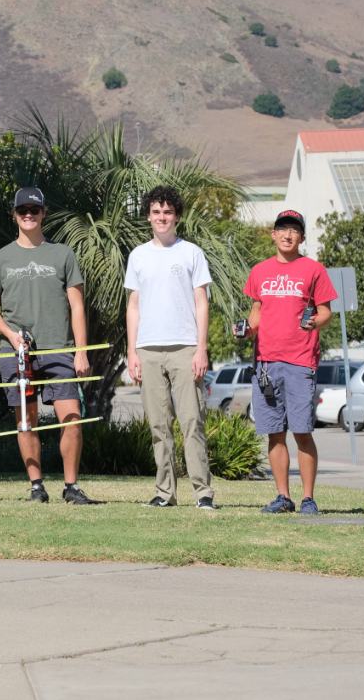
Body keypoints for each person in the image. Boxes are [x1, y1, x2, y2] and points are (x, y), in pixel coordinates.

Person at [0, 187, 93, 504]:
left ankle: (71, 487)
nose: (28, 215)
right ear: (14, 214)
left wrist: (81, 351)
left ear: (44, 213)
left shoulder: (63, 254)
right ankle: (36, 487)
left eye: (34, 209)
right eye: (22, 210)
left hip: (59, 349)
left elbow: (78, 306)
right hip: (18, 353)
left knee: (72, 420)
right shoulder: (1, 258)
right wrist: (10, 333)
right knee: (26, 421)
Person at [237, 210, 336, 515]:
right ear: (274, 235)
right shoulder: (260, 272)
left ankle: (308, 498)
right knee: (274, 431)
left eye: (294, 230)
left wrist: (314, 323)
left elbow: (326, 313)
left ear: (302, 237)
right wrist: (247, 329)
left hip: (300, 362)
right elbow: (256, 311)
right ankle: (283, 497)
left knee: (302, 430)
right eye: (283, 229)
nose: (288, 234)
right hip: (266, 364)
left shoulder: (314, 269)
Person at [125, 185, 216, 510]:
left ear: (176, 215)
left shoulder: (190, 253)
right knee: (159, 425)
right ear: (148, 216)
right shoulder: (138, 255)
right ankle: (165, 494)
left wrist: (201, 348)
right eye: (156, 212)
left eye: (167, 212)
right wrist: (132, 351)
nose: (162, 217)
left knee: (192, 421)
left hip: (185, 348)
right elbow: (133, 306)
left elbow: (201, 303)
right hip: (148, 349)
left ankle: (203, 493)